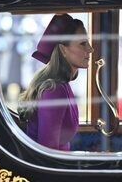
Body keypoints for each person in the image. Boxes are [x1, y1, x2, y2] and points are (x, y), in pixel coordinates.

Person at [18, 14, 94, 151]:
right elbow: (48, 153)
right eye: (83, 43)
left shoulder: (62, 86)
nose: (90, 49)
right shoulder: (55, 90)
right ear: (63, 50)